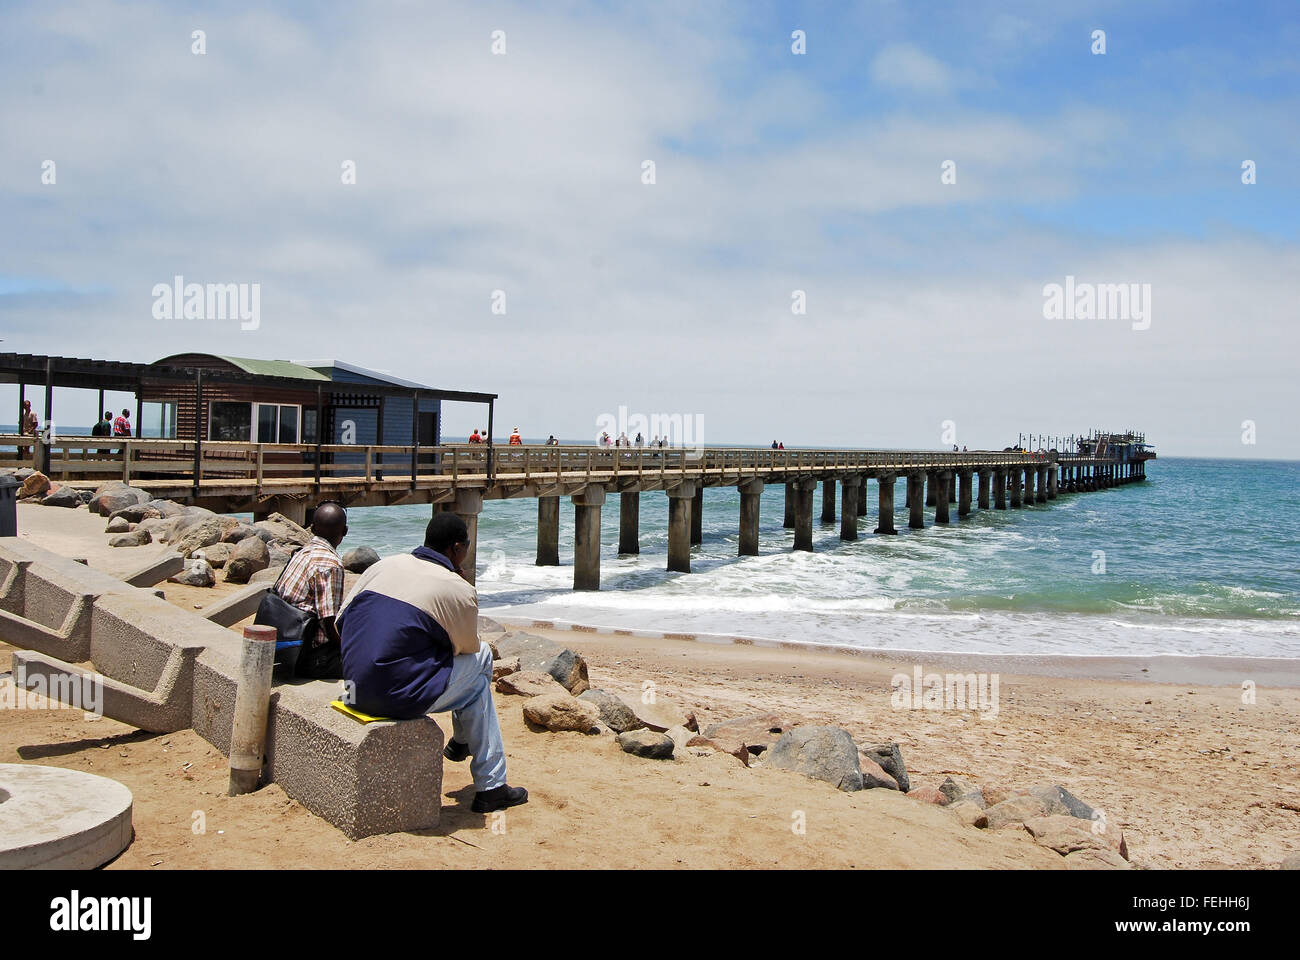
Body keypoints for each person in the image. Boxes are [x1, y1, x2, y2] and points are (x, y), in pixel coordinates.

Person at [338, 512, 528, 814]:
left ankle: (465, 748)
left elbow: (341, 622)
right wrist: (456, 592)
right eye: (466, 545)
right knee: (481, 664)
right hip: (393, 698)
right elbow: (468, 648)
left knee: (473, 684)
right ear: (456, 549)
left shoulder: (384, 566)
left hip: (353, 689)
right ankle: (488, 782)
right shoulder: (456, 587)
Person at [272, 501, 348, 678]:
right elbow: (329, 623)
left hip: (286, 641)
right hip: (309, 656)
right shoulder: (330, 564)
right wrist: (348, 650)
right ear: (345, 531)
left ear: (312, 529)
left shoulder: (302, 552)